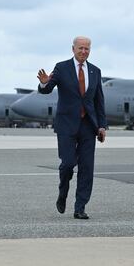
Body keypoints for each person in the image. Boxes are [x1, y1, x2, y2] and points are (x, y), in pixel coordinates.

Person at [37, 36, 107, 220]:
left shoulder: (95, 71)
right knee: (68, 164)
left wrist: (102, 125)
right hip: (66, 125)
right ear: (73, 49)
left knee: (87, 168)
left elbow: (99, 100)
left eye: (87, 49)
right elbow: (46, 89)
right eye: (80, 48)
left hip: (88, 126)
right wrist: (44, 82)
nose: (84, 51)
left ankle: (80, 206)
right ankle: (63, 192)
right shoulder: (62, 67)